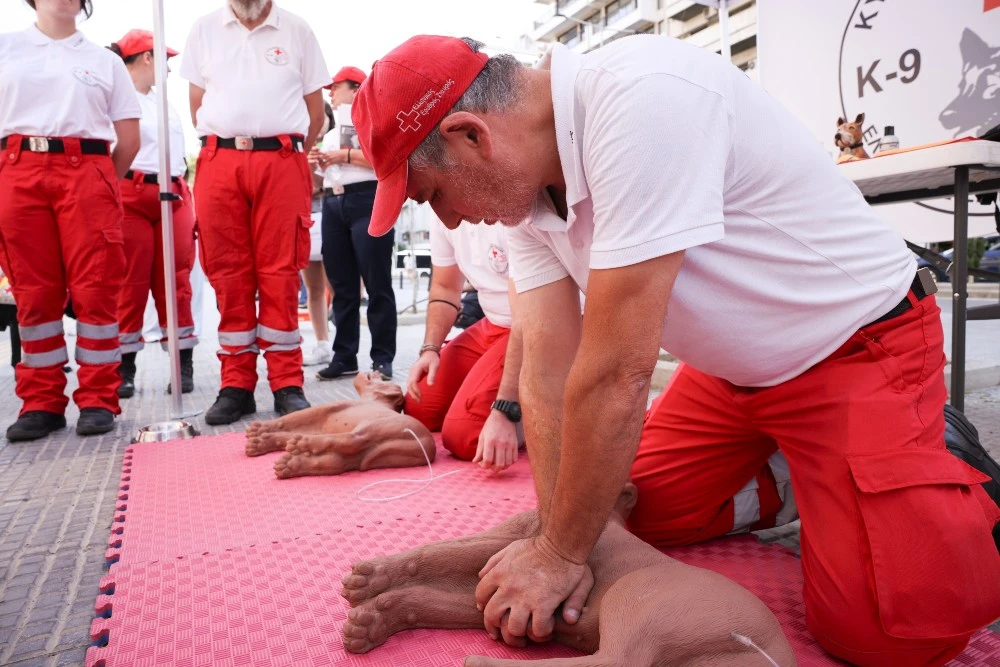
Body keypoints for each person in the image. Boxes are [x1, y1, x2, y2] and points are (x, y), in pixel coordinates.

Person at [351, 35, 1000, 666]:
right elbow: (549, 375)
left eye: (432, 193)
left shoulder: (642, 99)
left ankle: (927, 462)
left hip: (855, 346)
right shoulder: (524, 202)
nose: (452, 222)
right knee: (624, 507)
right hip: (729, 375)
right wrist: (562, 534)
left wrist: (559, 554)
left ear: (472, 136)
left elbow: (615, 374)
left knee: (893, 636)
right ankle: (794, 476)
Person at [339, 488, 794, 666]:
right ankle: (409, 602)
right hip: (723, 647)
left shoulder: (601, 529)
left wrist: (405, 566)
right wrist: (408, 603)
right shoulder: (561, 523)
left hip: (720, 620)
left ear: (624, 496)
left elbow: (484, 549)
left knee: (631, 632)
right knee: (510, 605)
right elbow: (494, 588)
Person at [180, 0, 328, 424]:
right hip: (220, 161)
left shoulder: (297, 30)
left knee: (281, 272)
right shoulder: (204, 29)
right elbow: (197, 105)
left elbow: (314, 112)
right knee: (228, 273)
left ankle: (287, 384)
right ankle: (236, 386)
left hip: (280, 159)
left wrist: (286, 149)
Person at [0, 0, 140, 441]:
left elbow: (129, 138)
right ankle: (40, 402)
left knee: (95, 289)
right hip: (17, 170)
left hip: (88, 170)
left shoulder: (105, 60)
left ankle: (99, 398)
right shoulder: (6, 48)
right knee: (33, 293)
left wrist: (98, 184)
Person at [108, 29, 197, 399]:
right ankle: (124, 368)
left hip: (173, 192)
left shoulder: (164, 103)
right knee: (129, 282)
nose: (169, 69)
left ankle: (183, 364)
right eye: (165, 60)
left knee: (176, 280)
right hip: (131, 190)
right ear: (147, 58)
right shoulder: (115, 96)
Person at [404, 217, 523, 471]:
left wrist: (504, 410)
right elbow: (445, 288)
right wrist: (430, 349)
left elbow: (528, 319)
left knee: (464, 438)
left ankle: (537, 415)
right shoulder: (439, 213)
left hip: (532, 325)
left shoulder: (510, 211)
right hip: (492, 323)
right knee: (419, 408)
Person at [311, 66, 397, 382]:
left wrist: (342, 155)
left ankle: (382, 359)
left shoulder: (375, 119)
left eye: (335, 87)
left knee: (377, 283)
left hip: (367, 198)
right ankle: (344, 356)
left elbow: (384, 160)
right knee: (342, 286)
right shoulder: (333, 130)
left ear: (356, 87)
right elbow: (331, 170)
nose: (330, 93)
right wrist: (322, 161)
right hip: (334, 201)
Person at [243, 371, 435, 480]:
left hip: (406, 432)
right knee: (356, 456)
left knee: (355, 439)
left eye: (380, 379)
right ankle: (325, 459)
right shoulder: (359, 409)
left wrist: (276, 425)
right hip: (413, 445)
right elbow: (316, 422)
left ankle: (326, 444)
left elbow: (321, 412)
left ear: (393, 393)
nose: (374, 375)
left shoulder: (375, 406)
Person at [301, 102, 335, 367]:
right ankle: (322, 343)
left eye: (319, 114)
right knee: (313, 286)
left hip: (333, 216)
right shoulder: (297, 146)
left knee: (338, 284)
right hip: (306, 218)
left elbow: (330, 185)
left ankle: (341, 342)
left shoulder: (337, 143)